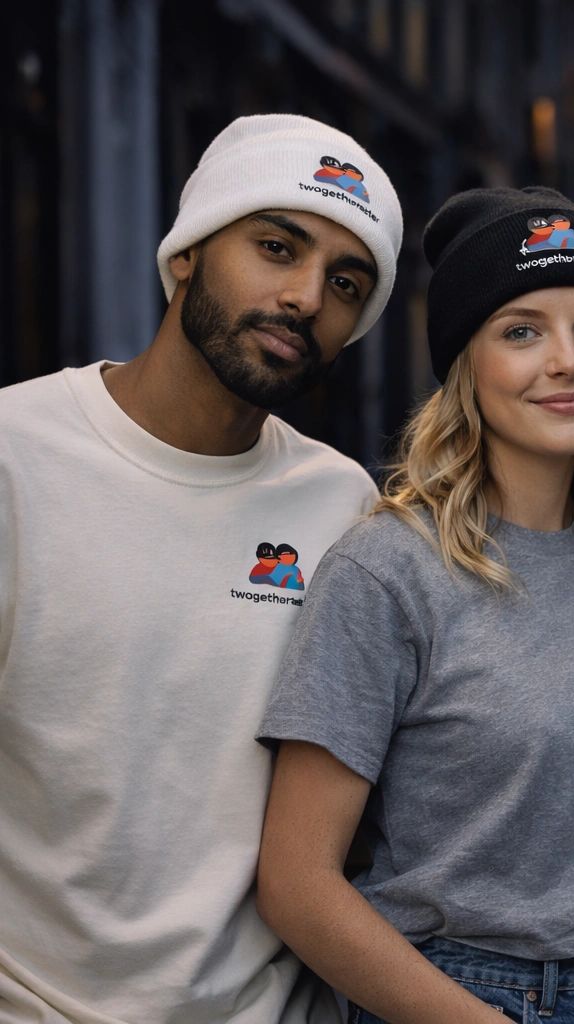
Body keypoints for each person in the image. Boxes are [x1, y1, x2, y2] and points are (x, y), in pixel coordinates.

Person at [254, 187, 574, 1024]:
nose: (569, 360)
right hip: (479, 996)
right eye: (522, 331)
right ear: (467, 365)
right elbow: (296, 883)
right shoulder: (388, 570)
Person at [0, 113, 400, 1023]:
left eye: (346, 282)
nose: (306, 296)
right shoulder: (16, 457)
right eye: (276, 247)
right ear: (186, 254)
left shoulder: (341, 504)